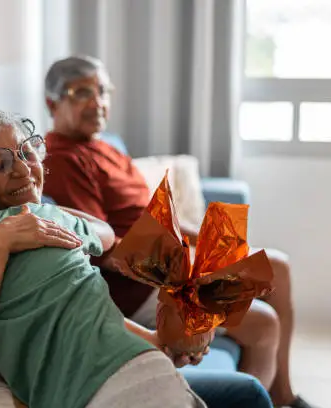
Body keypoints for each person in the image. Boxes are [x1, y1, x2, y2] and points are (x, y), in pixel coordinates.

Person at [42, 55, 314, 408]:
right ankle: (266, 399)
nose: (97, 103)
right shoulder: (63, 159)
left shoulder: (104, 146)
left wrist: (207, 239)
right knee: (264, 325)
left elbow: (154, 219)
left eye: (102, 91)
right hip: (141, 284)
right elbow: (99, 246)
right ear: (52, 103)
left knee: (277, 265)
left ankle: (282, 396)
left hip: (165, 262)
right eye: (81, 93)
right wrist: (182, 277)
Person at [0, 121, 205, 408]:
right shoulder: (45, 217)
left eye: (26, 152)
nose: (23, 170)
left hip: (99, 395)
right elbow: (101, 237)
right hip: (150, 370)